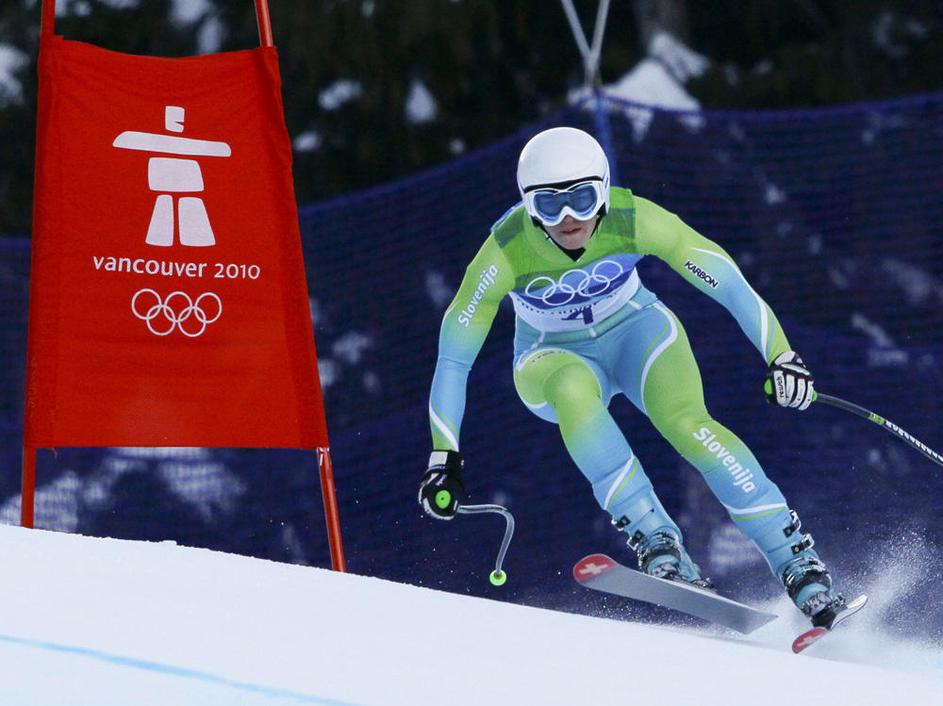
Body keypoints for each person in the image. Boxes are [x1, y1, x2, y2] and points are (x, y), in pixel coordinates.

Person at [419, 126, 847, 627]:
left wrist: (781, 356)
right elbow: (453, 357)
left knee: (688, 424)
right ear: (527, 206)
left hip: (637, 332)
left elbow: (726, 280)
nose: (570, 218)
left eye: (583, 197)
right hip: (549, 357)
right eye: (549, 206)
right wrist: (442, 455)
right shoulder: (505, 250)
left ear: (603, 191)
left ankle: (795, 560)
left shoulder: (634, 218)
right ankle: (655, 536)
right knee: (574, 391)